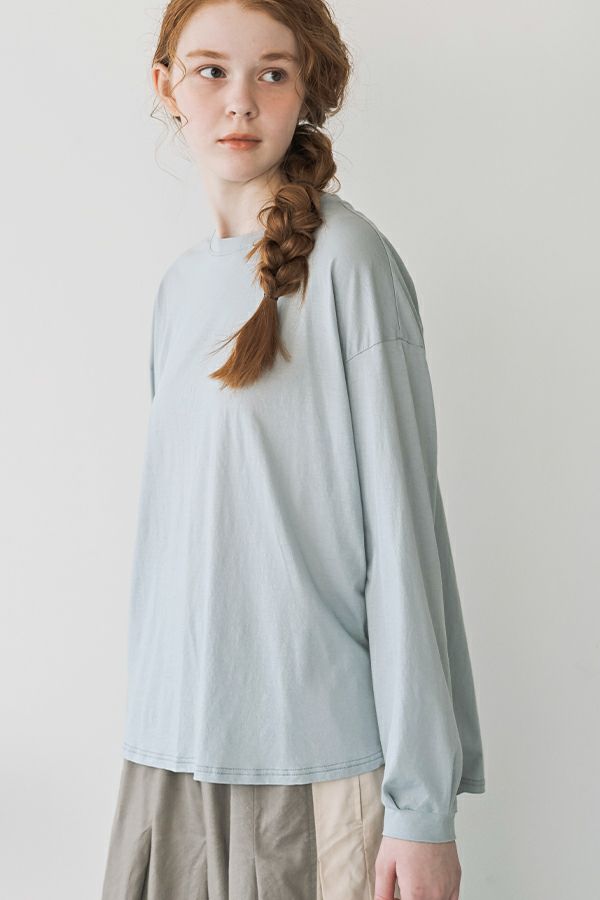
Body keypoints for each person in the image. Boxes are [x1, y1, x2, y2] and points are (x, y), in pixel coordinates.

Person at [100, 1, 486, 898]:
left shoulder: (351, 263)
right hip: (168, 756)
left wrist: (421, 807)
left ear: (306, 90)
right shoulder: (178, 290)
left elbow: (404, 541)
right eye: (211, 70)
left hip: (310, 766)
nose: (240, 100)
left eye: (272, 73)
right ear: (166, 86)